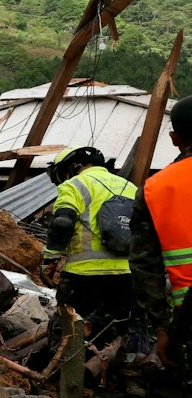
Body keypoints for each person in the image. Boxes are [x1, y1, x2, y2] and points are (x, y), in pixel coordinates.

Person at [41, 145, 138, 352]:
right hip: (125, 273)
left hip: (83, 274)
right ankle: (110, 378)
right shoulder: (130, 186)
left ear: (73, 166)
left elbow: (62, 224)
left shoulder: (75, 184)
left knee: (68, 331)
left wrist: (50, 260)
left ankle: (59, 377)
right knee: (116, 328)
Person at [131, 97, 192, 396]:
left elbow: (144, 266)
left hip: (189, 317)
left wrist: (162, 327)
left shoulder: (157, 188)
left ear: (174, 137)